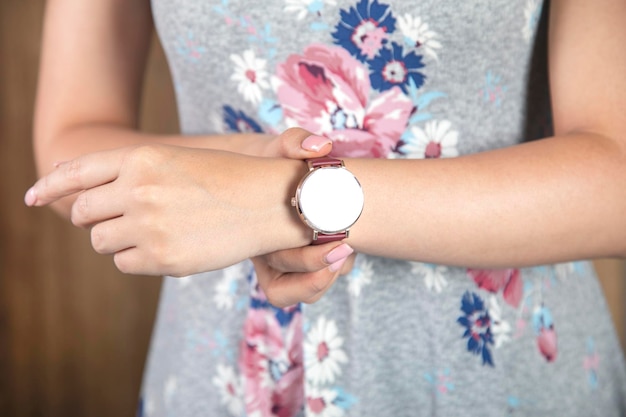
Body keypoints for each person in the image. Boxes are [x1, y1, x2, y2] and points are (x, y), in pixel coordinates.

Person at [25, 0, 626, 416]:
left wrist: (282, 195)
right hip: (226, 375)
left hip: (504, 377)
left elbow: (614, 175)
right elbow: (72, 138)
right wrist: (255, 158)